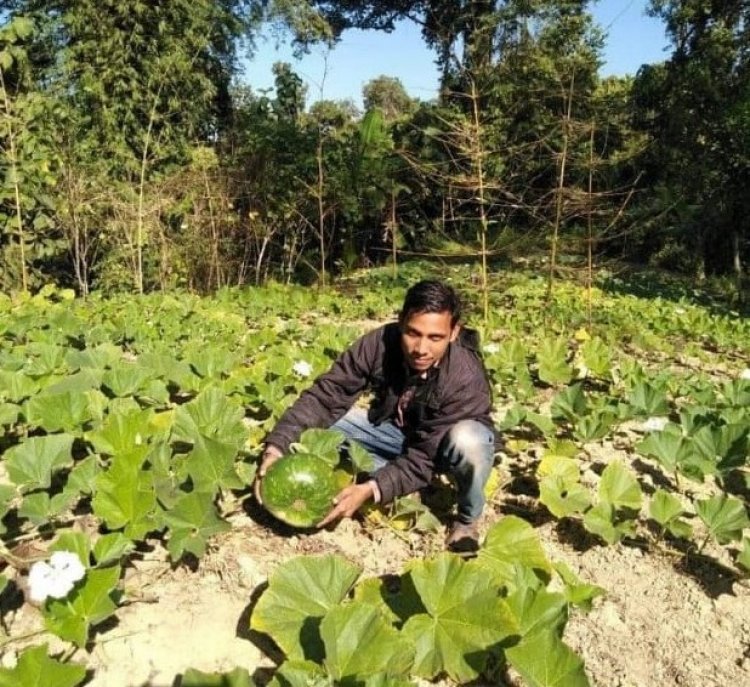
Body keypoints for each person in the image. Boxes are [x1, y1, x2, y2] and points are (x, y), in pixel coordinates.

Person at [255, 279, 496, 552]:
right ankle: (393, 478)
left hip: (441, 451)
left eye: (435, 338)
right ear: (400, 320)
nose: (421, 348)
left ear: (454, 333)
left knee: (470, 440)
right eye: (412, 333)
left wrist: (370, 489)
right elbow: (326, 395)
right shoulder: (379, 343)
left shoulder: (465, 377)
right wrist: (277, 447)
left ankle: (467, 519)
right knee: (330, 425)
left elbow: (424, 457)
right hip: (398, 434)